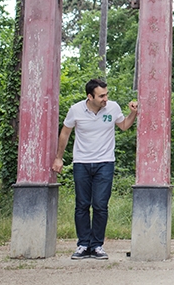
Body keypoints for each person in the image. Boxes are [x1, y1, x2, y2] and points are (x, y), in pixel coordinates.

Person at [52, 78, 137, 260]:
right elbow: (65, 133)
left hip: (105, 162)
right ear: (90, 97)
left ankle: (97, 245)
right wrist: (59, 158)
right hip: (81, 162)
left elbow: (123, 126)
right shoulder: (76, 110)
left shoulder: (112, 108)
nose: (106, 98)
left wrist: (133, 114)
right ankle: (83, 244)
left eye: (106, 94)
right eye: (101, 96)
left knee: (100, 205)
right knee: (82, 204)